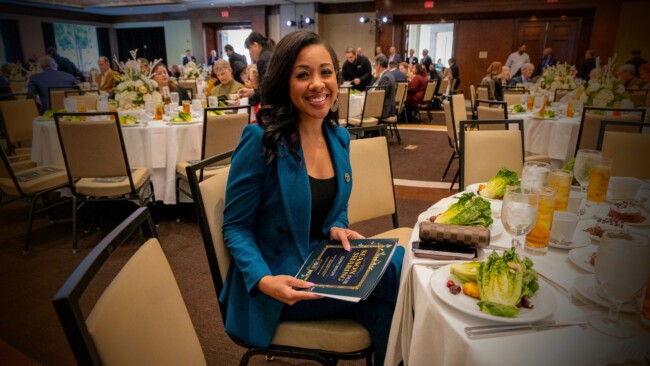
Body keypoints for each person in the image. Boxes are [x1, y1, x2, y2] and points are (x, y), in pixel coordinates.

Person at [221, 29, 404, 366]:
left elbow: (337, 206)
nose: (318, 84)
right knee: (401, 271)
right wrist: (264, 280)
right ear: (283, 83)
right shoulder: (260, 140)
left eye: (326, 72)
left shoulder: (338, 137)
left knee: (390, 310)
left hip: (324, 263)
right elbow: (235, 226)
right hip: (280, 283)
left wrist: (337, 225)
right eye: (303, 74)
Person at [237, 32, 275, 106]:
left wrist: (245, 101)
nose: (250, 53)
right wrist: (252, 91)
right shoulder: (269, 53)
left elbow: (264, 91)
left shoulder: (263, 59)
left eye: (249, 49)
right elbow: (266, 87)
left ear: (255, 45)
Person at [371, 54, 396, 119]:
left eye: (374, 65)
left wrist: (368, 94)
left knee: (361, 113)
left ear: (378, 65)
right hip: (385, 107)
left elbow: (379, 96)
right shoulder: (386, 74)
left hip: (385, 110)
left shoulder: (385, 77)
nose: (374, 67)